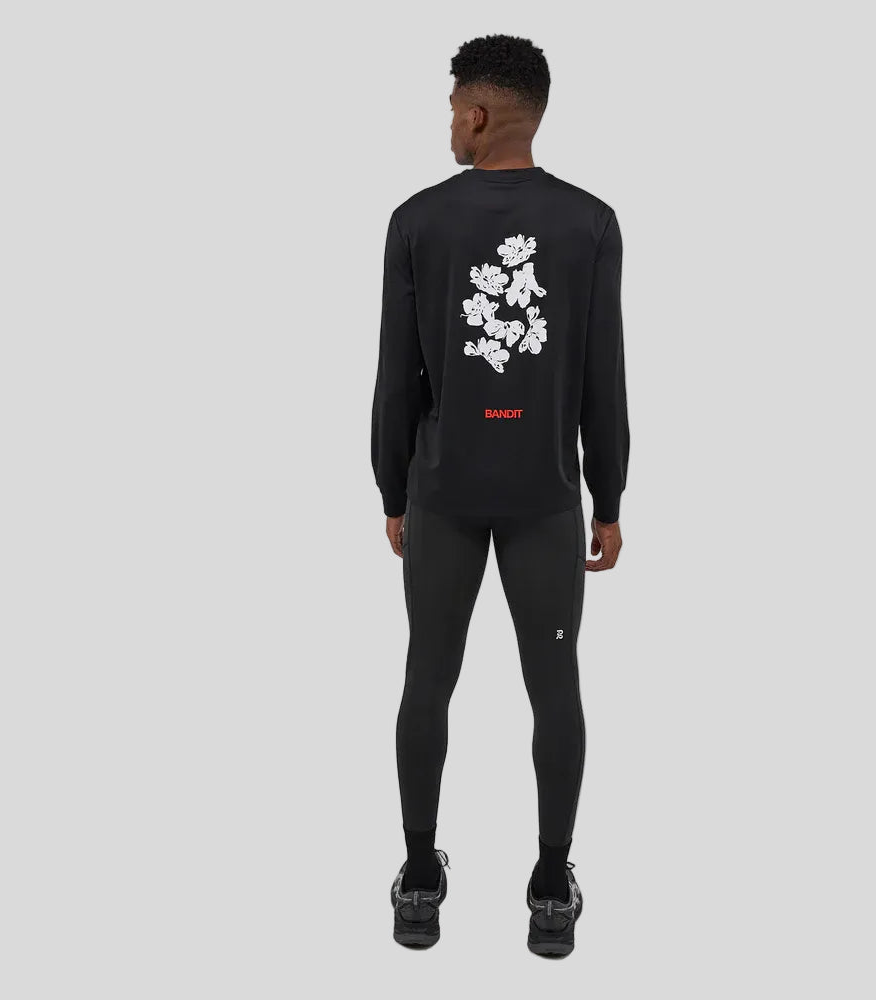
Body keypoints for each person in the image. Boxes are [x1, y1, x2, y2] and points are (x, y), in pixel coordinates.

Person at [371, 34, 629, 957]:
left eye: (452, 110)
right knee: (554, 686)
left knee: (426, 677)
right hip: (546, 497)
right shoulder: (590, 223)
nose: (449, 125)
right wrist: (608, 496)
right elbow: (603, 375)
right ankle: (552, 887)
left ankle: (418, 879)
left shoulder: (416, 221)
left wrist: (391, 487)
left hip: (442, 491)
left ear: (478, 116)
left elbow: (397, 379)